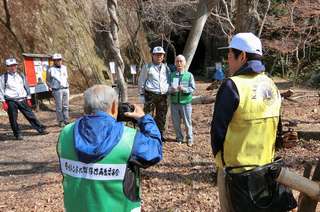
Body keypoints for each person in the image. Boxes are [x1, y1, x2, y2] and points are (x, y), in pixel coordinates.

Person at [210, 33, 296, 212]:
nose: (227, 60)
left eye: (230, 54)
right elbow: (277, 129)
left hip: (235, 173)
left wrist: (220, 162)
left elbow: (217, 132)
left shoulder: (232, 86)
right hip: (267, 169)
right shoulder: (271, 84)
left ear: (242, 56)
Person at [57, 84, 162, 212]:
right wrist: (144, 119)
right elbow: (155, 150)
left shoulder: (65, 133)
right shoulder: (129, 138)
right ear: (113, 107)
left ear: (85, 107)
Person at [0, 58, 48, 140]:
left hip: (23, 99)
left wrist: (28, 98)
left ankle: (40, 129)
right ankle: (17, 134)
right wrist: (3, 102)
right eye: (10, 66)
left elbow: (26, 87)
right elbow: (1, 90)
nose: (13, 67)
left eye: (14, 65)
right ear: (7, 67)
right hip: (11, 101)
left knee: (30, 115)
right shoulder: (3, 77)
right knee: (13, 119)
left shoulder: (21, 75)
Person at [138, 46, 170, 142]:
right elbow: (141, 81)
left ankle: (159, 135)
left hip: (163, 95)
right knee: (148, 115)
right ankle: (147, 134)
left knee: (161, 116)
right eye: (157, 55)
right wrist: (141, 95)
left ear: (163, 56)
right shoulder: (147, 67)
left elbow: (168, 81)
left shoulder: (166, 68)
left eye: (161, 55)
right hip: (150, 94)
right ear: (153, 55)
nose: (159, 57)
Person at [169, 55, 196, 146]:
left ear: (184, 63)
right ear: (175, 63)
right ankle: (179, 138)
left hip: (185, 103)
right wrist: (171, 89)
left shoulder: (189, 75)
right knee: (176, 123)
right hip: (174, 103)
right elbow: (168, 87)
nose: (179, 63)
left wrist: (184, 89)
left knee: (187, 122)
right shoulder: (172, 75)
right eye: (177, 61)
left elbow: (192, 88)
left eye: (181, 61)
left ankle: (190, 139)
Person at [46, 53, 69, 127]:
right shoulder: (50, 69)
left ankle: (66, 119)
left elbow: (66, 77)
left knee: (66, 106)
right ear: (54, 61)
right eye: (57, 60)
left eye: (60, 59)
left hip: (65, 88)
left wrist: (67, 85)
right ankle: (60, 121)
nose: (59, 61)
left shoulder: (64, 67)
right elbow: (48, 80)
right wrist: (51, 87)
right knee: (59, 107)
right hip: (57, 90)